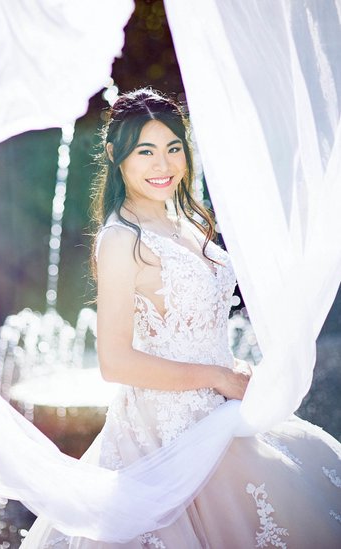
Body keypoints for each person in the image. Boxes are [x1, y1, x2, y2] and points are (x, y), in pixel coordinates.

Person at [21, 88, 340, 548]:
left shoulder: (187, 220)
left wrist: (231, 371)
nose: (163, 164)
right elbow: (115, 362)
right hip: (166, 430)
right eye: (145, 151)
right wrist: (217, 376)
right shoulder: (121, 240)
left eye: (173, 148)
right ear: (115, 155)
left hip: (222, 410)